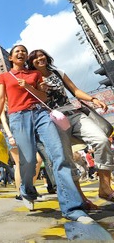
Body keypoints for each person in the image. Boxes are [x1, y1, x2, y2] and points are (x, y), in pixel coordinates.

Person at [0, 45, 93, 223]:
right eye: (17, 51)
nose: (21, 53)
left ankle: (72, 208)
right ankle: (26, 189)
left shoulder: (34, 74)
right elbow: (1, 99)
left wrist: (30, 87)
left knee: (59, 155)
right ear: (10, 58)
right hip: (18, 117)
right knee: (29, 161)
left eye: (24, 51)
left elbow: (44, 97)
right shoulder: (4, 76)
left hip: (41, 113)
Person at [28, 48, 114, 206]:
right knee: (67, 159)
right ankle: (82, 199)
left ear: (47, 57)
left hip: (73, 114)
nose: (40, 58)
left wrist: (93, 99)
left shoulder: (58, 72)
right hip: (53, 120)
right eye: (35, 57)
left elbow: (75, 90)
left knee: (101, 140)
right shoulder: (32, 78)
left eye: (42, 55)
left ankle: (105, 187)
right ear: (31, 63)